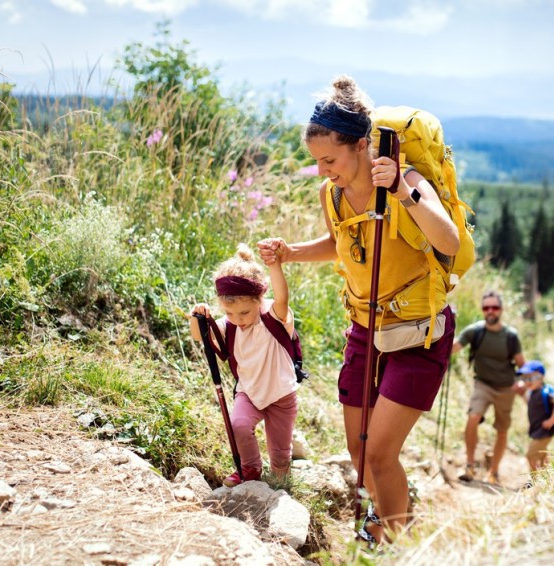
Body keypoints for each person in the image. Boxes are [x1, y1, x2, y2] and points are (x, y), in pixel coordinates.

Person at [258, 75, 459, 546]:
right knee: (360, 449)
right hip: (365, 329)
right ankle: (386, 525)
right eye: (317, 162)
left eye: (330, 159)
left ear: (362, 145)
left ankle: (395, 544)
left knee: (382, 452)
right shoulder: (333, 193)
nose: (324, 170)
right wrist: (290, 252)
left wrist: (406, 195)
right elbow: (340, 243)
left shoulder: (406, 181)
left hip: (418, 332)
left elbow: (447, 239)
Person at [190, 242, 298, 488]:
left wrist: (275, 264)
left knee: (280, 452)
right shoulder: (229, 326)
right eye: (229, 314)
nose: (238, 320)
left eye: (245, 313)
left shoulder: (273, 316)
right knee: (238, 424)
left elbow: (282, 296)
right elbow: (199, 336)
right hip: (249, 391)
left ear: (260, 299)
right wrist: (197, 316)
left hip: (281, 395)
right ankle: (250, 469)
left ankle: (281, 482)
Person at [451, 290, 525, 484]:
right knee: (473, 417)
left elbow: (522, 364)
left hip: (506, 388)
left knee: (502, 430)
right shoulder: (474, 331)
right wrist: (446, 327)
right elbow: (454, 347)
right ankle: (470, 466)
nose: (490, 311)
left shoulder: (511, 336)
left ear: (501, 310)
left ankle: (494, 471)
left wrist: (524, 383)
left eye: (494, 307)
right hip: (482, 384)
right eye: (486, 307)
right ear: (482, 310)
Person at [513, 360, 554, 473]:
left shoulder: (545, 392)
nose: (527, 382)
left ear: (541, 377)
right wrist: (522, 395)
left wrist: (552, 420)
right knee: (542, 455)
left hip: (545, 430)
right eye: (524, 379)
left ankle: (536, 479)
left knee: (530, 455)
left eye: (530, 378)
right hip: (538, 429)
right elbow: (532, 406)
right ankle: (548, 475)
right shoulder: (533, 393)